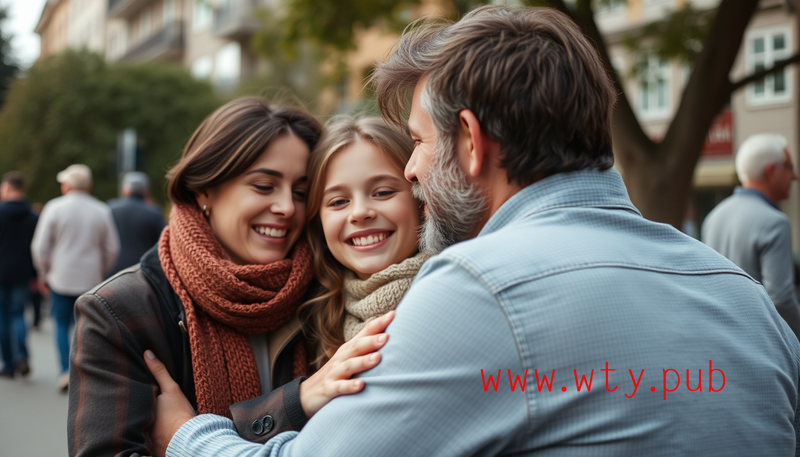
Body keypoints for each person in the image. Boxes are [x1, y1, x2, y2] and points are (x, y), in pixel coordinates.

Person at [148, 6, 800, 456]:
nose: (410, 170)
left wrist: (186, 436)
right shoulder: (740, 293)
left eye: (419, 143)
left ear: (470, 142)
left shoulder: (482, 289)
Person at [67, 98, 391, 457]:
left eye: (301, 192)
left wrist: (184, 437)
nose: (286, 207)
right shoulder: (117, 311)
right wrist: (298, 401)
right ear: (204, 189)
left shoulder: (328, 289)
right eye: (264, 186)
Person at [702, 133, 800, 339]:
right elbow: (781, 299)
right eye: (790, 168)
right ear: (772, 171)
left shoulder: (713, 218)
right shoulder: (775, 222)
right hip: (761, 340)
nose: (794, 176)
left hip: (723, 336)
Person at [31, 164, 119, 391]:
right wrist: (101, 271)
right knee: (85, 327)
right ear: (88, 186)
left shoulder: (54, 207)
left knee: (60, 324)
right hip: (91, 279)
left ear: (67, 185)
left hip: (60, 277)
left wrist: (44, 272)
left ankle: (64, 371)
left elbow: (40, 246)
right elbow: (112, 248)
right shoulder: (101, 210)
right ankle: (83, 373)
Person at [0, 172, 38, 378]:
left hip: (1, 272)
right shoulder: (33, 216)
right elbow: (36, 248)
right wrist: (35, 274)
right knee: (18, 314)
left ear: (7, 187)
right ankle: (21, 355)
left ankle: (8, 364)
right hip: (23, 272)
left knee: (2, 317)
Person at [107, 171, 167, 277]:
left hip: (112, 270)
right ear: (146, 191)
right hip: (141, 271)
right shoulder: (153, 212)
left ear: (125, 189)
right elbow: (162, 244)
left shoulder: (110, 209)